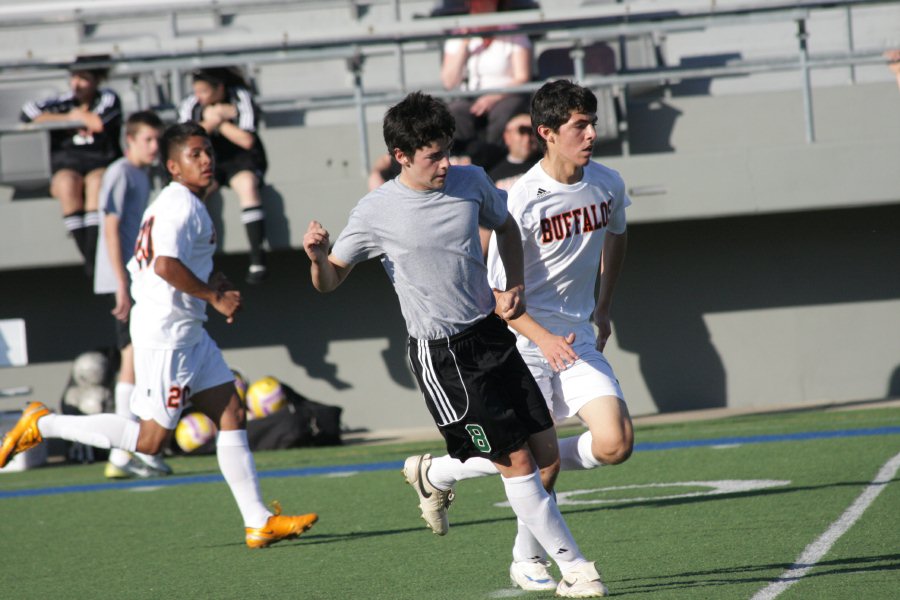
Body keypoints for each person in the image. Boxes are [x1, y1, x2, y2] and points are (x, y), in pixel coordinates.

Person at [303, 91, 608, 598]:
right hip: (442, 356)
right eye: (433, 156)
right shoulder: (376, 211)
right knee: (518, 463)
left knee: (547, 455)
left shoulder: (471, 181)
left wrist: (514, 286)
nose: (446, 164)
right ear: (401, 156)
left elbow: (506, 225)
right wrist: (316, 257)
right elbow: (330, 280)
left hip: (492, 334)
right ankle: (575, 568)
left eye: (448, 151)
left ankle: (435, 472)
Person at [1, 122, 317, 549]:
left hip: (187, 331)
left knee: (231, 411)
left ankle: (258, 521)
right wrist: (213, 297)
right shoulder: (179, 205)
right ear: (173, 166)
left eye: (208, 152)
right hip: (167, 333)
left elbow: (172, 263)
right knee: (150, 440)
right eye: (195, 155)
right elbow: (165, 265)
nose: (206, 160)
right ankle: (44, 423)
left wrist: (212, 282)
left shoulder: (183, 202)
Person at [404, 80, 634, 594]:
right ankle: (524, 556)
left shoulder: (609, 183)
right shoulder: (520, 200)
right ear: (547, 133)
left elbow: (616, 235)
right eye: (580, 125)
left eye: (593, 122)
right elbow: (496, 294)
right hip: (526, 344)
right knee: (541, 465)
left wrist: (603, 305)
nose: (592, 133)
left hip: (579, 339)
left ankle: (440, 472)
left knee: (615, 443)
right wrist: (542, 337)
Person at [92, 110, 173, 479]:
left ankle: (128, 452)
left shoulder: (141, 175)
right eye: (148, 140)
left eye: (158, 140)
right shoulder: (120, 172)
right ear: (130, 141)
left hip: (134, 280)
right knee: (133, 359)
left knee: (138, 358)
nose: (155, 146)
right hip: (122, 282)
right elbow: (109, 228)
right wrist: (121, 284)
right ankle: (123, 453)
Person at [20, 55, 123, 280]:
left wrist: (81, 117)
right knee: (67, 184)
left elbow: (99, 122)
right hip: (68, 164)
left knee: (97, 184)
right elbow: (28, 114)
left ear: (96, 81)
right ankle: (90, 260)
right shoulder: (64, 103)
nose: (76, 84)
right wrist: (69, 117)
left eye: (84, 78)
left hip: (98, 161)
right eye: (74, 77)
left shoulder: (107, 98)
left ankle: (93, 257)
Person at [178, 67, 270, 284]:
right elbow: (186, 141)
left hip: (241, 159)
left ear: (219, 88)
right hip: (210, 160)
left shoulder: (241, 97)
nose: (199, 97)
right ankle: (187, 254)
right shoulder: (191, 105)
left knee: (247, 185)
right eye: (197, 91)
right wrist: (211, 121)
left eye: (204, 91)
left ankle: (258, 257)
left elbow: (247, 140)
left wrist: (219, 122)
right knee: (193, 195)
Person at [441, 0, 532, 170]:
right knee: (455, 112)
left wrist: (494, 97)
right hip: (470, 97)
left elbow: (522, 76)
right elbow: (449, 82)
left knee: (504, 114)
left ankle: (491, 164)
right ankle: (465, 162)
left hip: (505, 94)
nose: (476, 7)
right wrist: (464, 44)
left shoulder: (512, 31)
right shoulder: (458, 33)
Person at [488, 112, 540, 191]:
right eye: (522, 131)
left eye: (532, 132)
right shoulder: (493, 174)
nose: (527, 138)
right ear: (507, 136)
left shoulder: (547, 165)